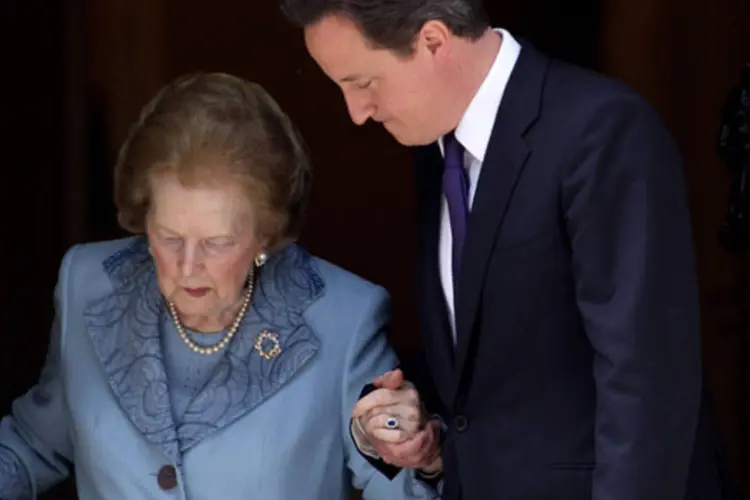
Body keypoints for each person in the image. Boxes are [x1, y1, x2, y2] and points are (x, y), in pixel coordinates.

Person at [279, 1, 739, 499]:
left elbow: (647, 391)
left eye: (364, 83)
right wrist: (426, 438)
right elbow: (495, 388)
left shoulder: (601, 131)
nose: (357, 113)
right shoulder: (436, 152)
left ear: (433, 41)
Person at [0, 72, 440, 499]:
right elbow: (37, 443)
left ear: (266, 234)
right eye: (169, 237)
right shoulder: (88, 284)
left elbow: (397, 477)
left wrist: (416, 453)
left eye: (217, 243)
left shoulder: (341, 318)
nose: (188, 265)